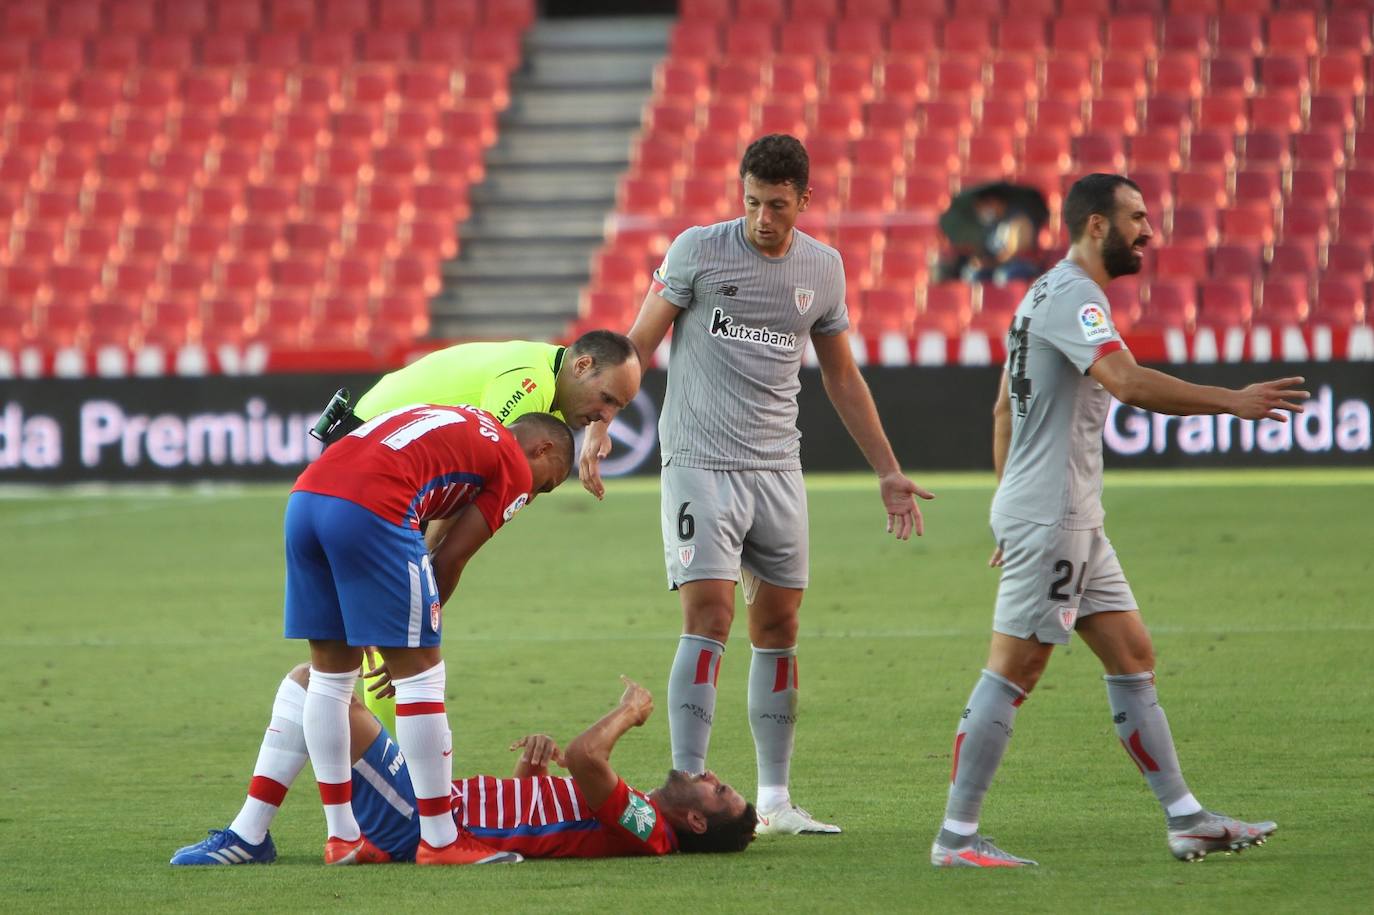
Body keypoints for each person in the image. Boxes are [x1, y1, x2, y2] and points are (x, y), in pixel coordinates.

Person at [930, 173, 1308, 868]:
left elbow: (1002, 411)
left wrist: (1006, 511)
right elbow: (1127, 381)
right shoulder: (1075, 294)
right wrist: (1233, 400)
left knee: (1132, 654)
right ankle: (956, 838)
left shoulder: (1040, 291)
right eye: (1136, 216)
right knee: (1015, 668)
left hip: (1059, 511)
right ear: (1096, 225)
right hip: (1054, 513)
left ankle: (1187, 817)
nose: (1148, 229)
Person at [579, 134, 935, 834]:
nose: (762, 218)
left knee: (780, 624)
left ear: (804, 200)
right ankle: (688, 781)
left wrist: (888, 469)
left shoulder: (823, 269)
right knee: (709, 612)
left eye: (777, 205)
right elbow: (640, 342)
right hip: (699, 462)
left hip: (778, 467)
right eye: (751, 201)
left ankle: (774, 799)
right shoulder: (699, 250)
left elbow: (840, 375)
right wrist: (601, 417)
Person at [284, 404, 575, 865]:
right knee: (420, 676)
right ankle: (441, 840)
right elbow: (451, 557)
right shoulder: (515, 465)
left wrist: (389, 622)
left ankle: (342, 837)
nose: (534, 495)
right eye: (546, 483)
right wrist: (406, 635)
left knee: (331, 679)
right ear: (542, 449)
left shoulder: (470, 419)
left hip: (307, 497)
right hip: (372, 503)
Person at [170, 670, 756, 865]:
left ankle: (264, 837)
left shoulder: (650, 831)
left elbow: (584, 756)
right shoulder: (636, 818)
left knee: (314, 684)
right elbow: (547, 826)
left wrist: (630, 712)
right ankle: (286, 836)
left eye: (719, 790)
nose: (708, 776)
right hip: (435, 808)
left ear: (698, 824)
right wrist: (532, 781)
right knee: (316, 685)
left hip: (430, 821)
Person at [313, 330, 641, 443]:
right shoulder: (533, 382)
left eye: (617, 408)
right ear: (582, 366)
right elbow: (478, 467)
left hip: (371, 434)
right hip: (371, 440)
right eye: (606, 399)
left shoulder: (546, 365)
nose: (606, 416)